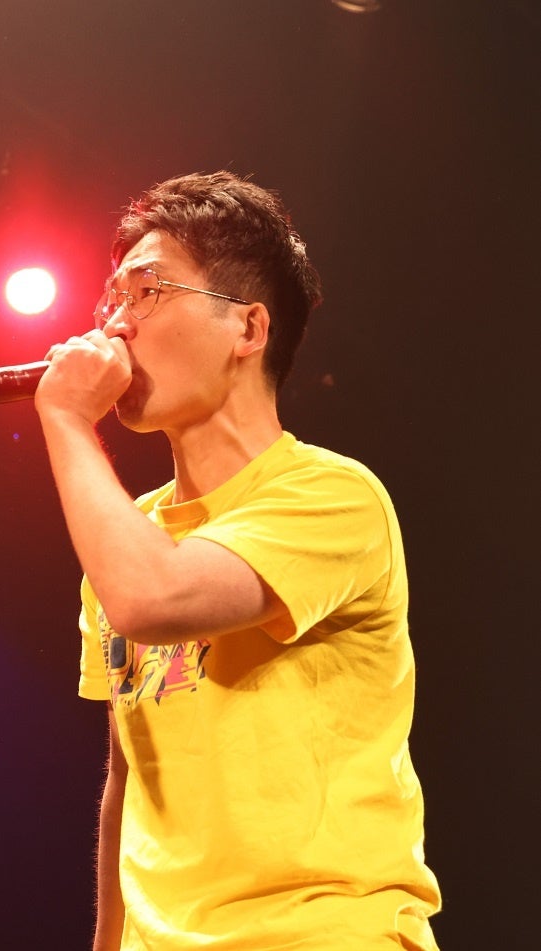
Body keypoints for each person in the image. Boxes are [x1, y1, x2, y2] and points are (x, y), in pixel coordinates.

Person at [33, 171, 440, 949]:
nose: (115, 324)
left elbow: (153, 599)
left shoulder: (331, 495)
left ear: (248, 328)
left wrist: (65, 418)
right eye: (110, 299)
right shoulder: (131, 534)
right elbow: (129, 779)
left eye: (146, 292)